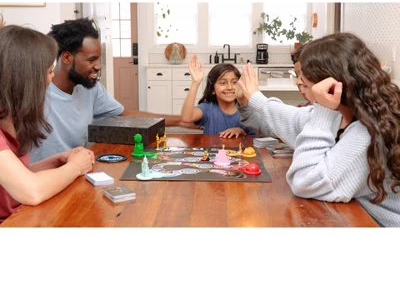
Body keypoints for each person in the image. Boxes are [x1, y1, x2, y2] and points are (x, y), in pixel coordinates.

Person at [236, 32, 400, 227]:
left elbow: (305, 182)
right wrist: (252, 98)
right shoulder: (342, 113)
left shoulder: (367, 134)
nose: (300, 80)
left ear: (331, 83)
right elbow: (292, 120)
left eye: (304, 76)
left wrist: (323, 109)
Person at [29, 18, 195, 162]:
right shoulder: (33, 91)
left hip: (77, 171)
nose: (98, 66)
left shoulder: (91, 89)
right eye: (91, 60)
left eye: (98, 59)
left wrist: (181, 121)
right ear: (66, 57)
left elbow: (126, 115)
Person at [0, 25, 94, 222]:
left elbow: (16, 179)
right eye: (50, 71)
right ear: (27, 79)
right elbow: (31, 191)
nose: (52, 78)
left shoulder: (10, 120)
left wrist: (55, 162)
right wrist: (76, 167)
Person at [181, 55, 255, 137]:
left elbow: (255, 137)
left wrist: (241, 131)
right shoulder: (207, 108)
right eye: (223, 83)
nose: (230, 87)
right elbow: (186, 118)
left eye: (234, 82)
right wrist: (195, 83)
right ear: (213, 89)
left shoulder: (247, 111)